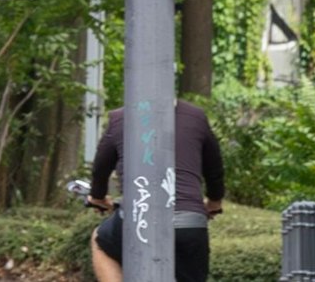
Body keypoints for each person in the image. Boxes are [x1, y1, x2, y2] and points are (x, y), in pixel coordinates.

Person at [86, 99, 225, 282]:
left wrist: (97, 197)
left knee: (100, 239)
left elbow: (100, 169)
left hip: (137, 219)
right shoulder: (196, 116)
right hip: (189, 222)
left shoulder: (120, 118)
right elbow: (214, 169)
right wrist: (214, 202)